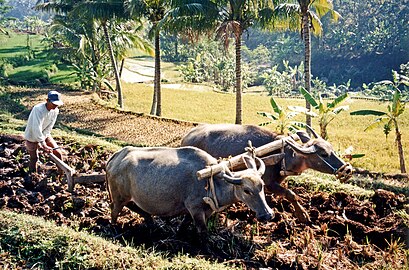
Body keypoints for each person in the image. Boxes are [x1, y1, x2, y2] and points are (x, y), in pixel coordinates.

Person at [24, 90, 65, 173]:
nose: (55, 106)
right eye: (53, 103)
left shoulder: (55, 110)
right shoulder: (38, 109)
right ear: (47, 101)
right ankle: (32, 177)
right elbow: (36, 127)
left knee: (58, 153)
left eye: (57, 104)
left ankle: (61, 174)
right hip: (32, 135)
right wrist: (42, 143)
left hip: (44, 134)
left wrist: (44, 140)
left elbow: (49, 127)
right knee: (34, 158)